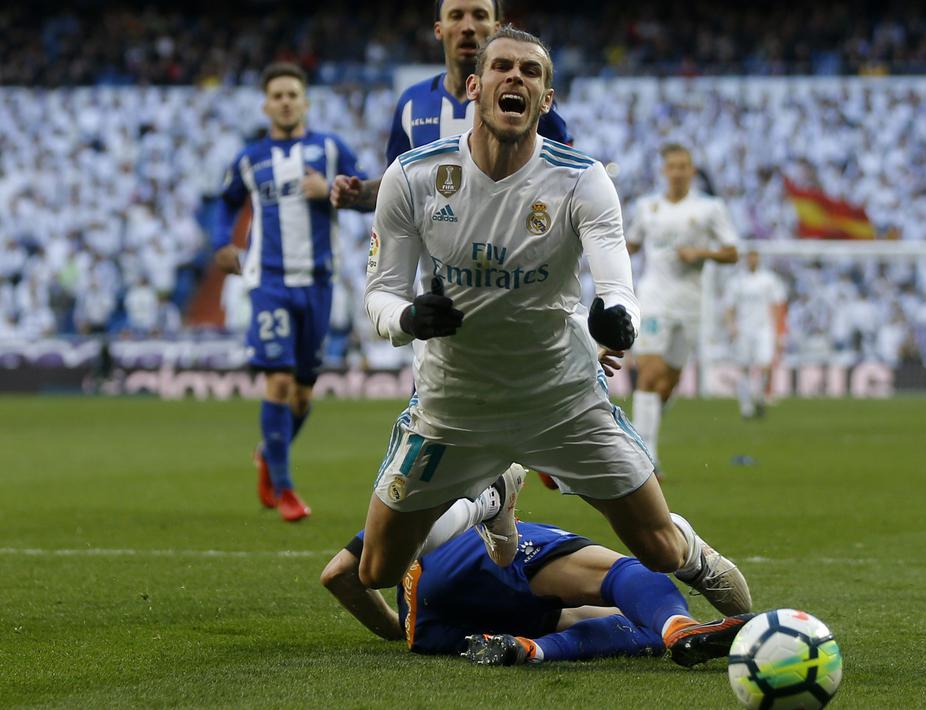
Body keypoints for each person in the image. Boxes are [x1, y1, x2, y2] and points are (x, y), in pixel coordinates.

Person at [361, 27, 751, 623]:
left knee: (658, 549)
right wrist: (409, 316)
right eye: (502, 68)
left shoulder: (582, 179)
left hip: (562, 399)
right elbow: (382, 294)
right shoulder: (413, 176)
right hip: (453, 405)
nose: (515, 78)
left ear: (546, 100)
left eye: (532, 73)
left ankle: (696, 553)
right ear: (475, 85)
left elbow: (619, 288)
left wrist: (618, 322)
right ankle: (493, 499)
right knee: (378, 571)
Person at [212, 62, 366, 522]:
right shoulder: (249, 158)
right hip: (269, 281)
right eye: (276, 94)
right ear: (266, 104)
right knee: (277, 381)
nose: (284, 101)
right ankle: (285, 490)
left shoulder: (332, 149)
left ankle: (267, 454)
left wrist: (335, 193)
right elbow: (225, 203)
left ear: (305, 102)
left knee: (301, 397)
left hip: (318, 282)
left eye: (291, 94)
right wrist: (223, 243)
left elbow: (369, 194)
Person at [321, 516, 753, 667]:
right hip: (466, 552)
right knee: (628, 573)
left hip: (430, 631)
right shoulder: (452, 486)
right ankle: (680, 621)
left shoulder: (401, 495)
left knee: (633, 629)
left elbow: (337, 575)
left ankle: (532, 650)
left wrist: (398, 628)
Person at [330, 0, 571, 212]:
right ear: (439, 29)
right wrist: (360, 193)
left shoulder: (522, 101)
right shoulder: (412, 103)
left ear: (497, 29)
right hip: (438, 263)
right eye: (456, 16)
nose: (467, 27)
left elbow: (565, 178)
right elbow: (399, 185)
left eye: (479, 15)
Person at [626, 144, 739, 462]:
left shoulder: (709, 209)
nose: (677, 172)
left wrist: (701, 254)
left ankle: (640, 431)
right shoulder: (647, 207)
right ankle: (645, 455)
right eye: (672, 166)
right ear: (664, 171)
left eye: (683, 166)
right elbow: (629, 245)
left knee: (668, 381)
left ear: (692, 171)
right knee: (648, 372)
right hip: (653, 299)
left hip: (690, 304)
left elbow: (732, 252)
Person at [725, 250, 786, 419]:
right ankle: (746, 407)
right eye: (750, 256)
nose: (752, 259)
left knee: (765, 365)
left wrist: (779, 330)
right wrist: (731, 326)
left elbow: (777, 306)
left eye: (755, 256)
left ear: (759, 258)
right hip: (743, 329)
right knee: (743, 368)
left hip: (764, 329)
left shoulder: (769, 280)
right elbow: (729, 306)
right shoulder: (737, 281)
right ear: (746, 259)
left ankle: (759, 397)